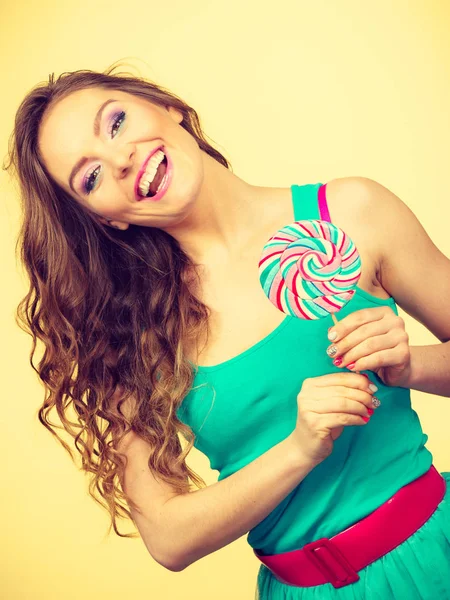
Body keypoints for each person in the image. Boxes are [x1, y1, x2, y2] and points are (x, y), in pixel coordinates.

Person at [6, 65, 450, 600]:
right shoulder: (131, 333)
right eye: (90, 177)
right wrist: (299, 449)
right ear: (104, 220)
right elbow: (169, 538)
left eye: (116, 122)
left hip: (436, 546)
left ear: (167, 107)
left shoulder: (351, 211)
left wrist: (410, 366)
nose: (119, 159)